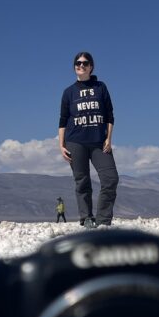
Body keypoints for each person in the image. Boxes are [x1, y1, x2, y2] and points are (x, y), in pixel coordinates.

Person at [58, 51, 118, 227]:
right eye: (78, 63)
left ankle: (103, 221)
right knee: (82, 181)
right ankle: (87, 218)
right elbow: (62, 120)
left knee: (110, 179)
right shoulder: (68, 92)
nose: (81, 66)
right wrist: (61, 145)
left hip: (99, 141)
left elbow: (109, 115)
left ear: (91, 67)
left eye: (85, 63)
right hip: (75, 141)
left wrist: (108, 139)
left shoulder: (100, 87)